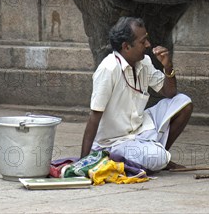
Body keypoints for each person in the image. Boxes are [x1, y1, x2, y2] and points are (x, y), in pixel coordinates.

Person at [80, 16, 193, 172]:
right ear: (126, 47)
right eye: (142, 42)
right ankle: (154, 157)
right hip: (115, 142)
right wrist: (82, 162)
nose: (148, 45)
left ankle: (157, 154)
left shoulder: (144, 62)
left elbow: (169, 92)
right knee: (157, 157)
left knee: (184, 103)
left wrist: (168, 67)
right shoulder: (109, 69)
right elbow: (94, 117)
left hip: (140, 130)